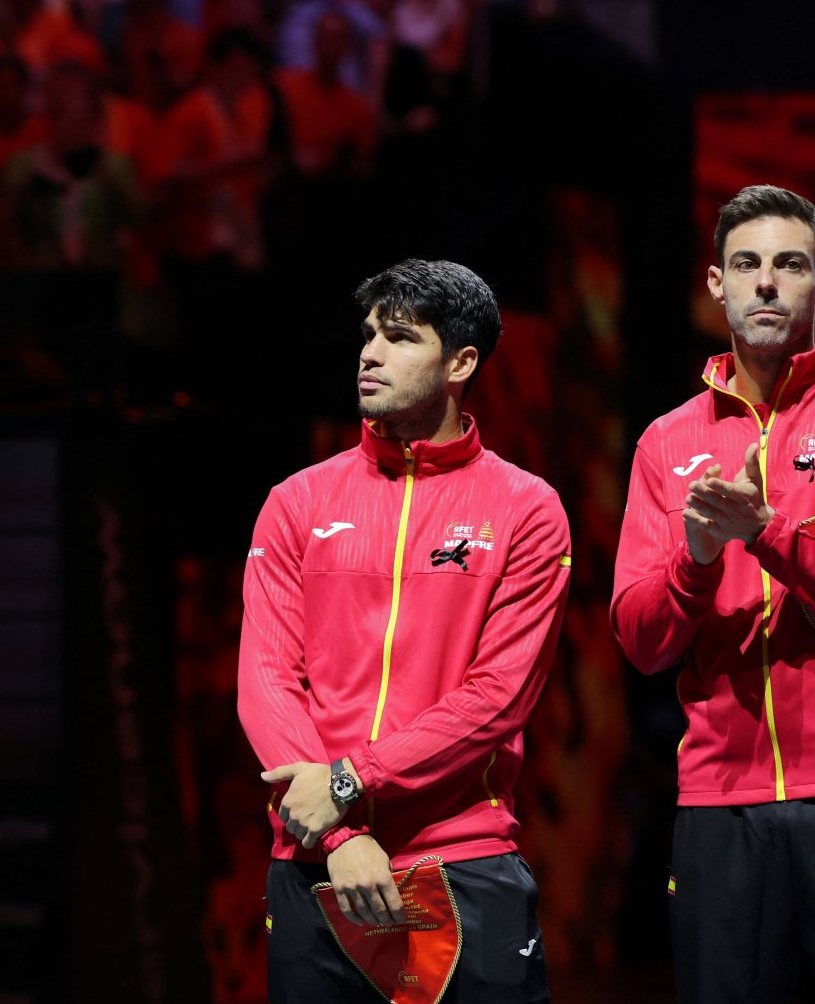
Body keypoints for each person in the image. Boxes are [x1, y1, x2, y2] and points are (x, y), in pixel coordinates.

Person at [237, 259, 571, 1003]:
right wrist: (339, 834)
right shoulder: (296, 501)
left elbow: (497, 698)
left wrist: (351, 781)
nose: (370, 353)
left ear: (461, 363)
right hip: (316, 864)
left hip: (462, 862)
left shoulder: (526, 507)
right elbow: (266, 680)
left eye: (398, 337)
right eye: (367, 336)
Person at [612, 185, 815, 1003]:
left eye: (789, 265)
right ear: (715, 284)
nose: (766, 283)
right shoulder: (666, 441)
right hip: (720, 801)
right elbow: (642, 642)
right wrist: (694, 558)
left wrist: (766, 533)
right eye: (746, 264)